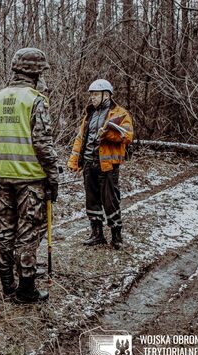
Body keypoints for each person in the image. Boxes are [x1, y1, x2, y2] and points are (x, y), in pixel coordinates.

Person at [0, 47, 58, 304]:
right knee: (27, 236)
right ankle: (26, 291)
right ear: (37, 73)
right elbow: (42, 143)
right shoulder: (34, 100)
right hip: (30, 181)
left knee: (5, 233)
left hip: (3, 180)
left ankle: (8, 285)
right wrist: (53, 176)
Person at [67, 79, 133, 250]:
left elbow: (127, 136)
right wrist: (74, 160)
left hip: (108, 166)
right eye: (91, 95)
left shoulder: (119, 113)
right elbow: (80, 139)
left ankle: (116, 235)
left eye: (95, 95)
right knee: (92, 200)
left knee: (110, 201)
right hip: (89, 164)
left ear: (107, 95)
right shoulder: (89, 115)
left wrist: (107, 135)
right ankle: (97, 234)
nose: (92, 98)